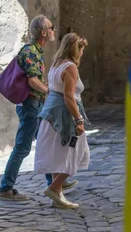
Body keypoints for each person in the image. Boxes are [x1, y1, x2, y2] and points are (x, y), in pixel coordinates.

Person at [0, 14, 63, 201]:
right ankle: (6, 188)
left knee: (45, 143)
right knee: (22, 147)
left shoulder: (36, 51)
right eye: (51, 28)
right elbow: (32, 81)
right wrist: (49, 91)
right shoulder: (31, 52)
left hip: (35, 104)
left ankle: (54, 184)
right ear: (43, 32)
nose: (53, 31)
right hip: (31, 105)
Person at [34, 32, 91, 209]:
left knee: (57, 153)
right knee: (77, 152)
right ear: (76, 49)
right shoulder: (70, 67)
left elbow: (51, 91)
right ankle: (55, 187)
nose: (82, 53)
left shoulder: (55, 64)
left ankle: (56, 193)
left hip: (51, 114)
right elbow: (68, 97)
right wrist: (78, 120)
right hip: (64, 115)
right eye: (81, 49)